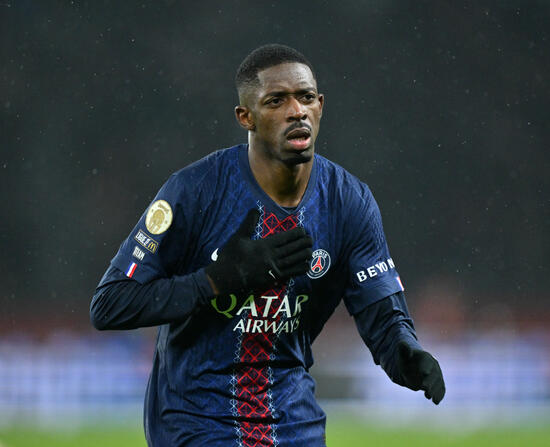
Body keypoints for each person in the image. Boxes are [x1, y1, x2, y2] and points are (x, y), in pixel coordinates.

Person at [90, 43, 445, 447]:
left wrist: (405, 353)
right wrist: (214, 282)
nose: (297, 111)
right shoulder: (195, 192)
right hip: (197, 424)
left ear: (320, 106)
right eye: (276, 101)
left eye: (306, 97)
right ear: (246, 117)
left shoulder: (348, 202)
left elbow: (382, 316)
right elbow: (111, 304)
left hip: (294, 425)